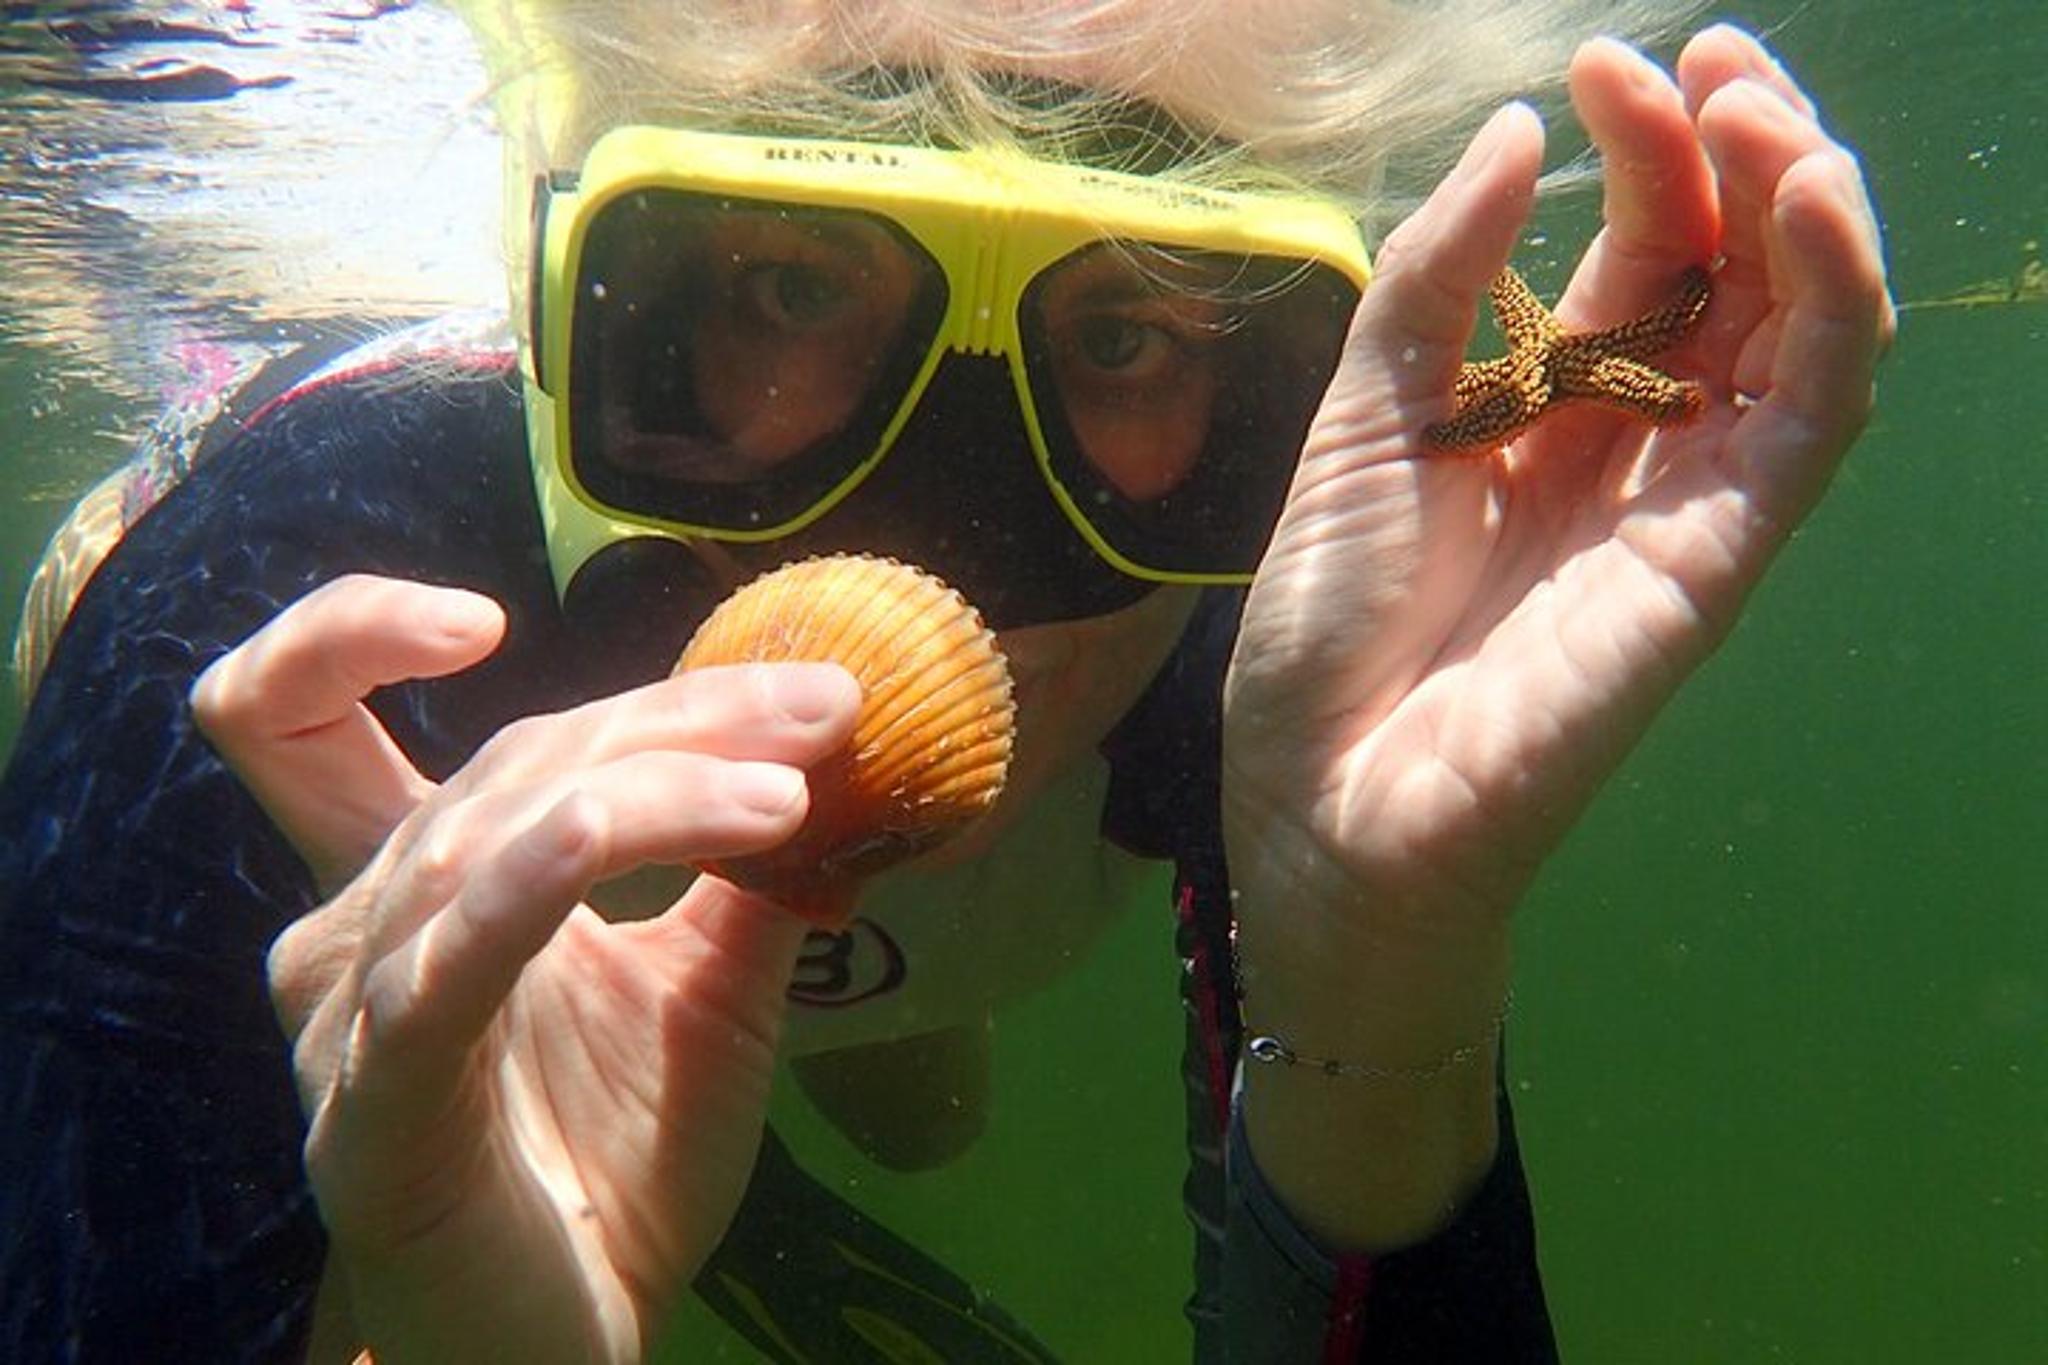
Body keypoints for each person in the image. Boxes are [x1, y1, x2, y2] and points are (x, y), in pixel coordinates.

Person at [0, 2, 1893, 1361]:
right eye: (789, 289)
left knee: (926, 1111)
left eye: (1134, 327)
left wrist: (1384, 990)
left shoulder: (1257, 601)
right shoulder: (281, 624)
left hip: (889, 932)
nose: (953, 536)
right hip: (234, 642)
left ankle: (763, 1071)